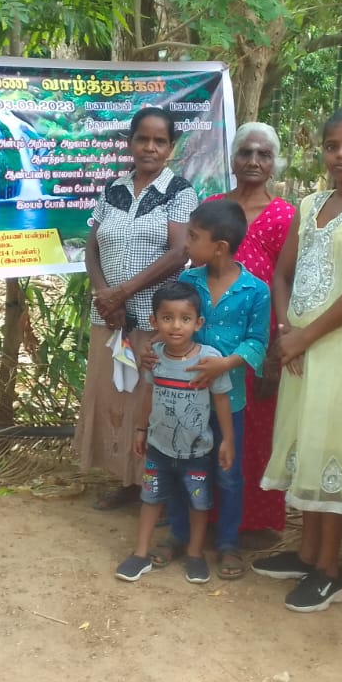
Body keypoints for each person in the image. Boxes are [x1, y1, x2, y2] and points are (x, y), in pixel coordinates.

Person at [254, 106, 342, 612]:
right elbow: (282, 274)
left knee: (333, 446)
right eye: (332, 145)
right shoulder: (310, 203)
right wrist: (285, 332)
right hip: (300, 347)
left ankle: (331, 571)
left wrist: (306, 337)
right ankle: (307, 553)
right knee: (307, 445)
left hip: (339, 349)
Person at [74, 106, 199, 511]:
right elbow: (91, 247)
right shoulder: (113, 188)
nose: (150, 147)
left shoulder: (179, 191)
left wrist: (123, 293)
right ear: (130, 143)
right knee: (115, 397)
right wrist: (104, 295)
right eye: (142, 139)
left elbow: (179, 253)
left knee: (149, 401)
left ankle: (158, 489)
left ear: (171, 147)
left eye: (159, 141)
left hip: (152, 319)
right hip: (108, 318)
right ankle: (126, 480)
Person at [152, 200, 270, 580]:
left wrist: (226, 363)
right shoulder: (188, 282)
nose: (186, 243)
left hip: (228, 401)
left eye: (193, 237)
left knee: (227, 472)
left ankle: (228, 543)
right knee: (181, 465)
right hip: (185, 397)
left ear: (219, 247)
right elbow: (171, 325)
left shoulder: (256, 290)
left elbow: (257, 342)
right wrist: (151, 348)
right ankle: (179, 535)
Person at [203, 122, 295, 539]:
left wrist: (277, 347)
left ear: (274, 164)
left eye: (264, 154)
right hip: (210, 337)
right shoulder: (213, 207)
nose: (254, 161)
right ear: (233, 158)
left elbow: (288, 280)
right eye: (246, 152)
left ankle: (254, 522)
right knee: (207, 425)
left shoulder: (285, 215)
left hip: (258, 343)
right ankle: (203, 515)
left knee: (256, 430)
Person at [114, 282, 234, 584]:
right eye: (167, 318)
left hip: (197, 451)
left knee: (198, 503)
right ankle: (140, 553)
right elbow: (148, 394)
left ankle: (195, 554)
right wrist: (141, 429)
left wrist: (228, 440)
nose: (176, 326)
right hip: (159, 448)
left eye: (185, 318)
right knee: (150, 499)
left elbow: (221, 400)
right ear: (154, 322)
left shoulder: (208, 359)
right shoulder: (154, 356)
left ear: (198, 323)